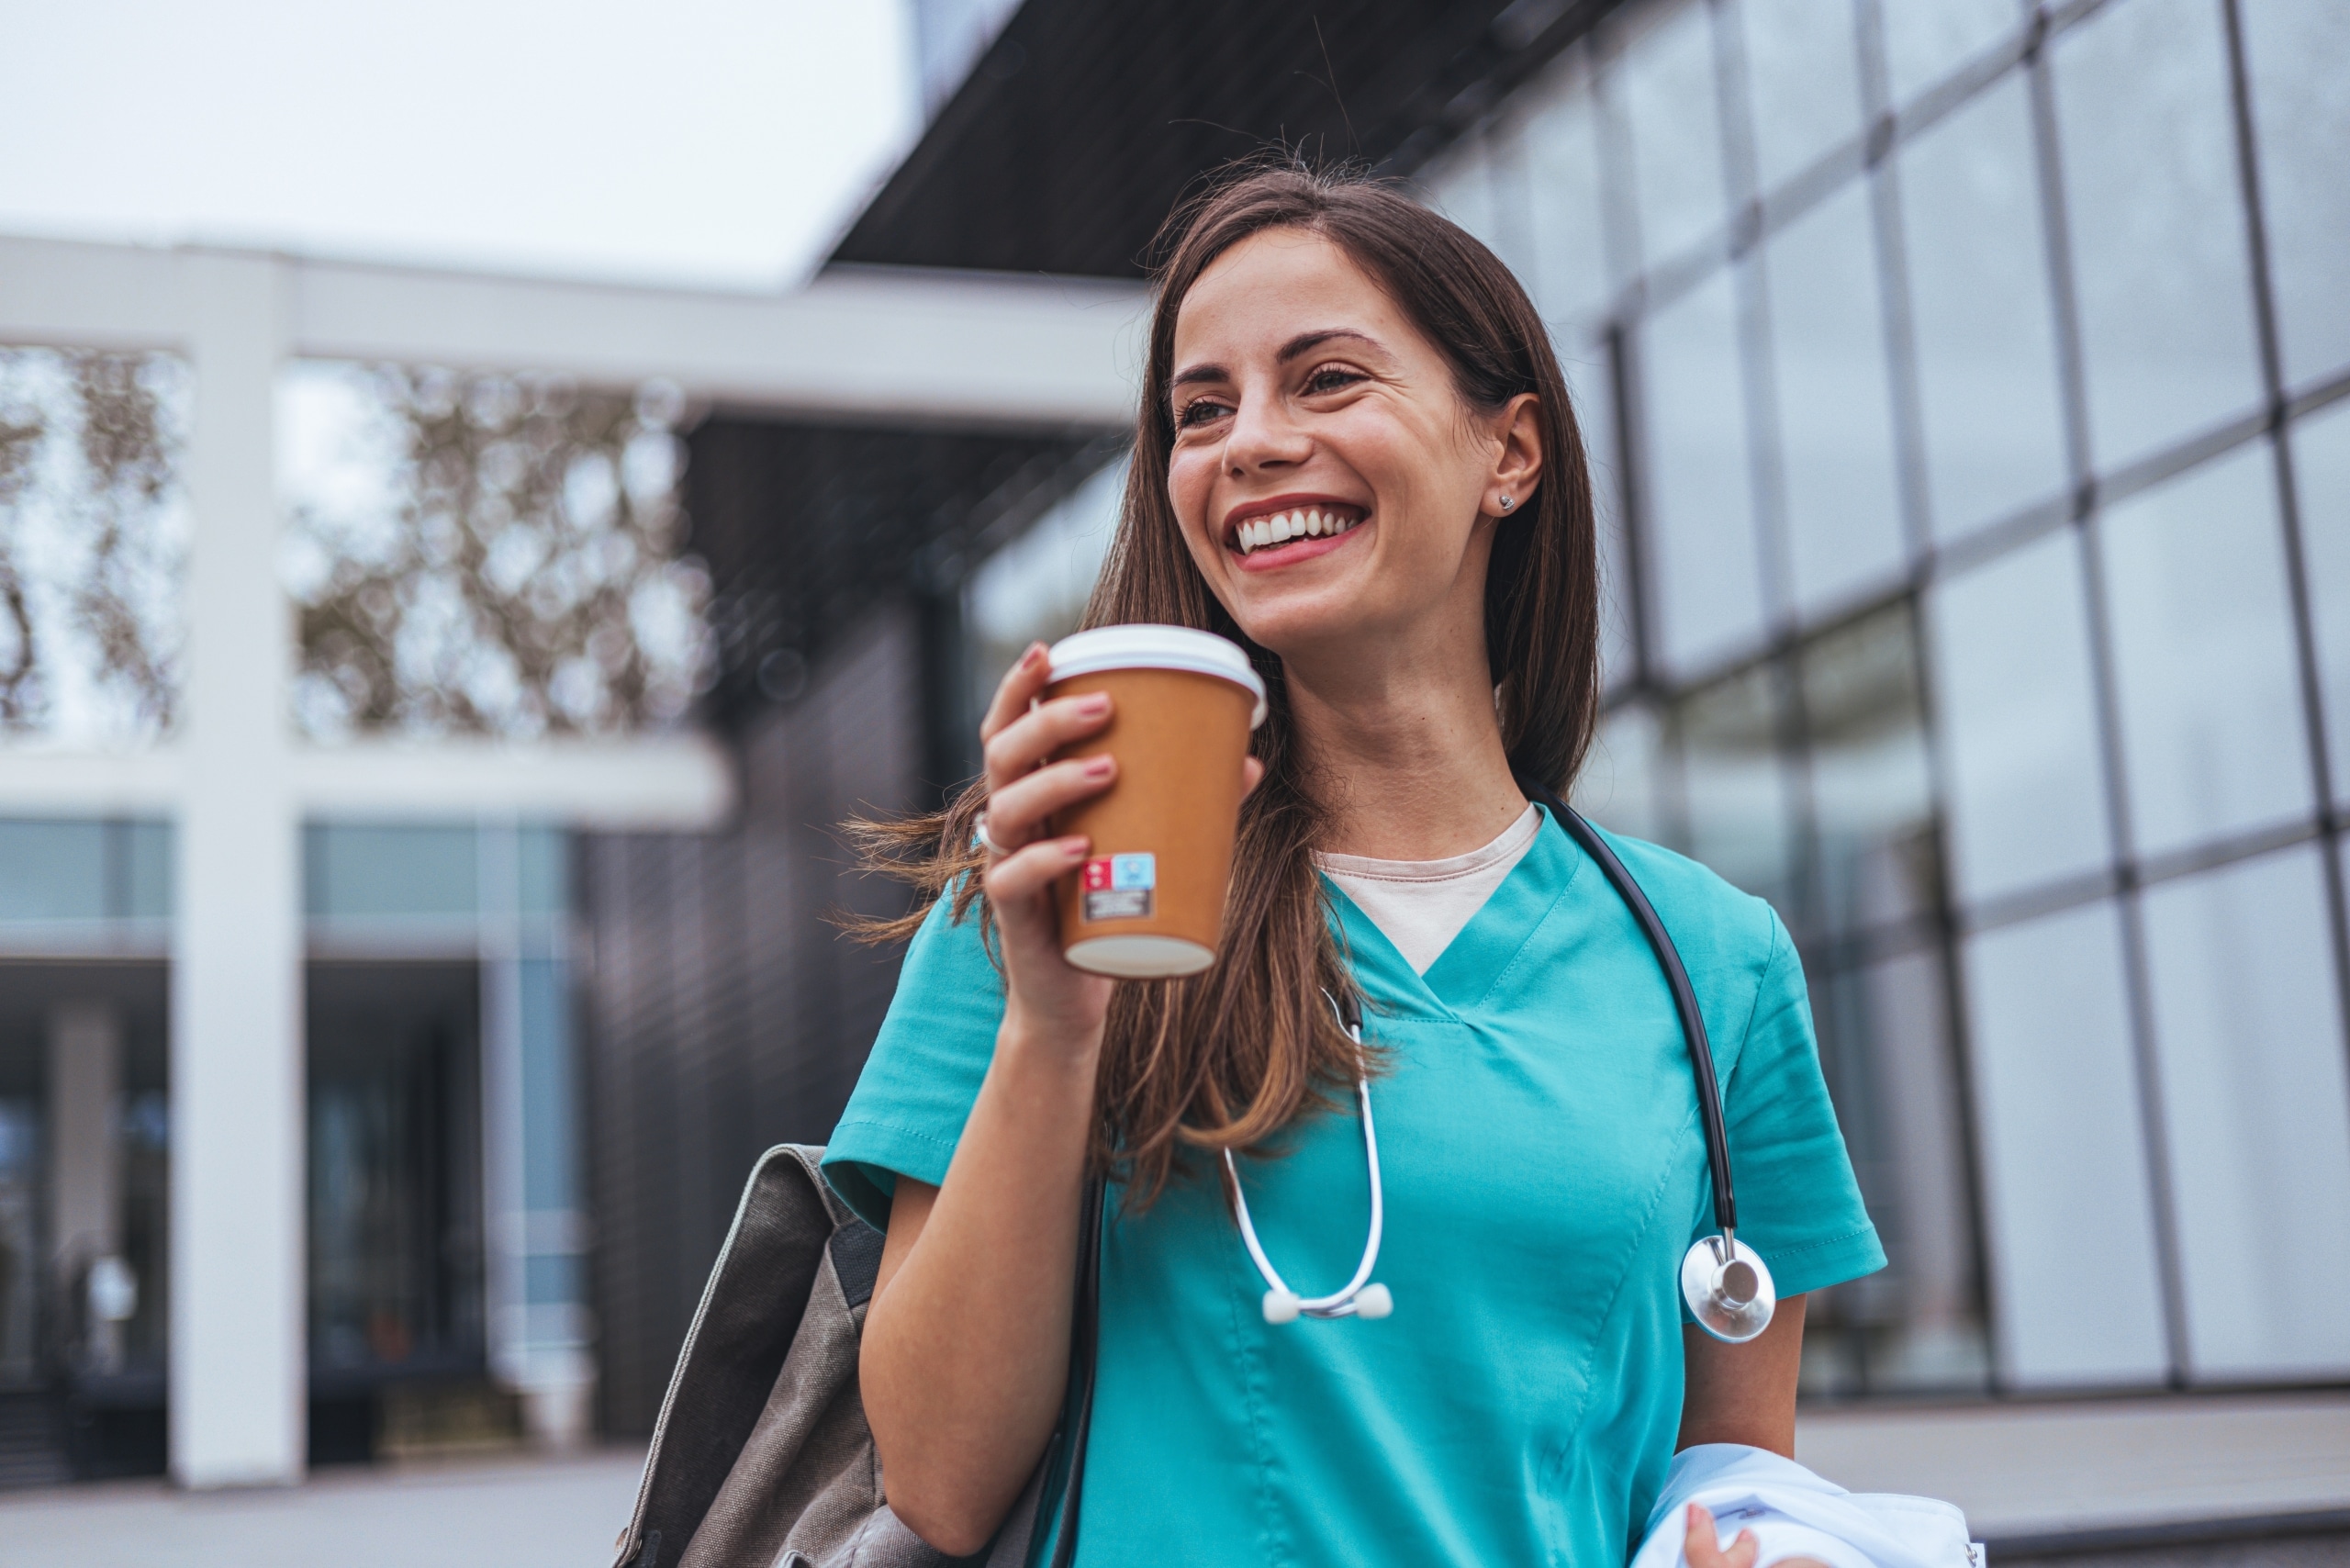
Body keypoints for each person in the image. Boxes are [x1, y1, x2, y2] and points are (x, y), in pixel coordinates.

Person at [822, 163, 1885, 1568]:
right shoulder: (1061, 894)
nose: (1248, 443)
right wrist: (1052, 1029)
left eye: (1325, 379)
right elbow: (938, 1483)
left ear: (1510, 453)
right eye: (1201, 410)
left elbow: (1739, 1494)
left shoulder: (1718, 965)